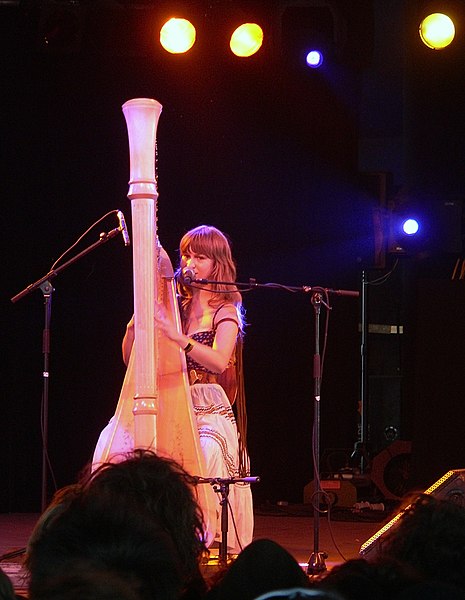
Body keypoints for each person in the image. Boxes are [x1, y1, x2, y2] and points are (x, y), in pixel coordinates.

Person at [96, 225, 254, 554]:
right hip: (170, 400)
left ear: (217, 263)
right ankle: (116, 529)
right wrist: (134, 325)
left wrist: (177, 337)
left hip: (208, 405)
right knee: (111, 441)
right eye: (186, 255)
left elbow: (218, 361)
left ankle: (202, 537)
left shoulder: (225, 311)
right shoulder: (172, 305)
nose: (190, 262)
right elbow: (131, 360)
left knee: (206, 451)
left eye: (200, 257)